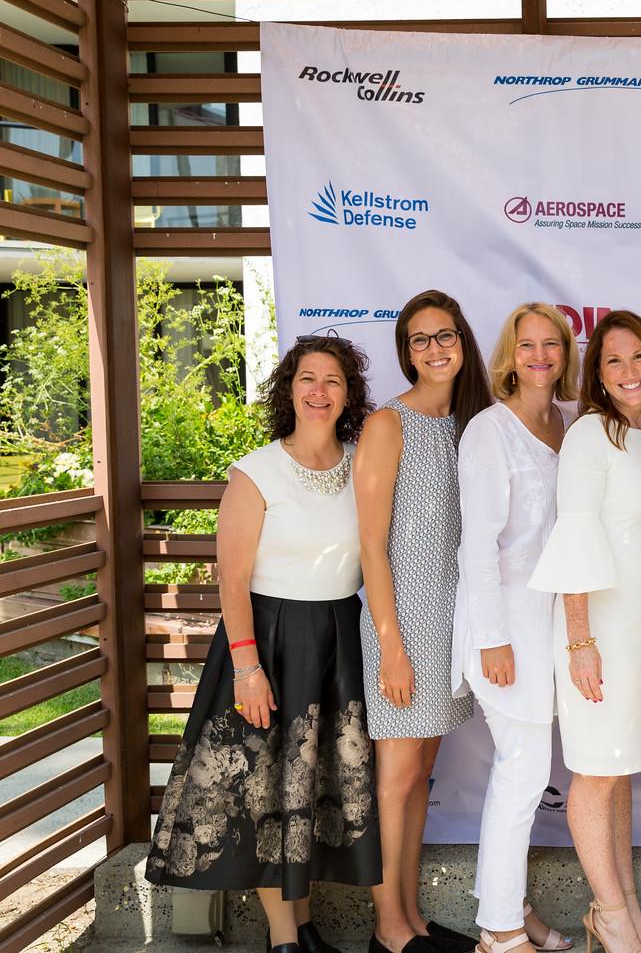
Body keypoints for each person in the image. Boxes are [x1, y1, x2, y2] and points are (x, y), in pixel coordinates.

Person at [146, 334, 377, 953]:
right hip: (267, 643)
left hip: (337, 641)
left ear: (348, 393)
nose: (319, 391)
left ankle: (302, 927)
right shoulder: (257, 471)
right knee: (268, 790)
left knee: (307, 788)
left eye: (333, 380)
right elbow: (235, 578)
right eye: (307, 378)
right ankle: (284, 941)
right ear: (288, 389)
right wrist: (248, 668)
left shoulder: (364, 465)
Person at [530, 311, 641, 953]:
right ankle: (613, 918)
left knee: (619, 770)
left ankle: (621, 913)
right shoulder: (593, 433)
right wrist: (579, 640)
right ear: (598, 373)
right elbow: (576, 534)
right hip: (597, 632)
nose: (628, 372)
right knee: (595, 771)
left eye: (638, 357)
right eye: (613, 361)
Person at [355, 290, 493, 953]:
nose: (434, 348)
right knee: (396, 779)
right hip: (402, 623)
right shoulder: (389, 424)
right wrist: (391, 645)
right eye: (419, 339)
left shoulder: (473, 423)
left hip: (453, 621)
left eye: (444, 335)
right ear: (406, 352)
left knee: (421, 777)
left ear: (463, 340)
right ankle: (388, 927)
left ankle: (410, 917)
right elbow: (371, 545)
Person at [452, 303, 578, 953]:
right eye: (525, 345)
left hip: (557, 626)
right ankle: (499, 932)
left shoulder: (572, 420)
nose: (538, 356)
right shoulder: (488, 431)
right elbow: (478, 545)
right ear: (509, 353)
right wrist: (492, 638)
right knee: (524, 770)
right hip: (506, 629)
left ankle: (511, 906)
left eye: (550, 344)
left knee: (527, 770)